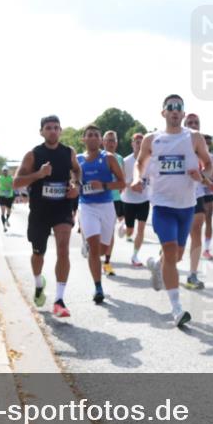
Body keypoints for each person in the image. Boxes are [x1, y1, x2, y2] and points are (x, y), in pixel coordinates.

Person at [131, 94, 211, 327]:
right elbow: (139, 163)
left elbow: (208, 164)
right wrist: (137, 179)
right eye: (170, 107)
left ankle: (157, 265)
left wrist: (202, 175)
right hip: (162, 204)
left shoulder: (194, 137)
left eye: (179, 107)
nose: (175, 110)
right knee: (169, 250)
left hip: (186, 206)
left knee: (176, 256)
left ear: (183, 114)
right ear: (163, 112)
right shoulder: (152, 139)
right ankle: (176, 309)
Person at [13, 115, 80, 317]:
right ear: (41, 132)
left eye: (56, 127)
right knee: (38, 253)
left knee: (63, 249)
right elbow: (16, 182)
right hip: (40, 210)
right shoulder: (33, 155)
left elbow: (77, 171)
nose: (52, 131)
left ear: (61, 131)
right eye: (48, 128)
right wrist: (38, 175)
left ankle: (59, 300)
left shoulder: (69, 152)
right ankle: (38, 282)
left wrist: (76, 186)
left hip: (62, 207)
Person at [77, 125, 125, 304]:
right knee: (95, 249)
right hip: (86, 206)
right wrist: (75, 186)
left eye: (96, 135)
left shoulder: (109, 158)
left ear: (100, 140)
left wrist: (103, 186)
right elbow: (73, 181)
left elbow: (122, 183)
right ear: (83, 139)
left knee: (104, 250)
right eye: (89, 135)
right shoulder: (78, 159)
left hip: (106, 206)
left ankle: (89, 247)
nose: (93, 138)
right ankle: (98, 287)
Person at [183, 113, 213, 289]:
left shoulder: (206, 152)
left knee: (196, 229)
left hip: (196, 195)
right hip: (174, 196)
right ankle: (163, 261)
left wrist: (205, 179)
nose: (193, 124)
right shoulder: (175, 143)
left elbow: (208, 170)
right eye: (190, 122)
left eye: (196, 122)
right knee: (176, 242)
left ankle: (192, 275)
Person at [121, 133, 150, 266]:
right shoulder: (126, 161)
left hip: (144, 199)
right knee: (130, 230)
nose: (139, 144)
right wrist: (132, 186)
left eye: (141, 142)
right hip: (129, 200)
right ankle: (125, 226)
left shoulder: (150, 160)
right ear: (132, 144)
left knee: (141, 229)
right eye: (136, 142)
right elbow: (122, 181)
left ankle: (135, 256)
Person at [99, 130, 124, 276]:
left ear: (117, 143)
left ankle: (107, 263)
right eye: (108, 140)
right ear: (103, 142)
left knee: (110, 232)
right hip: (99, 199)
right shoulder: (98, 157)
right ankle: (90, 247)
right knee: (97, 231)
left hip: (114, 199)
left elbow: (123, 179)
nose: (111, 143)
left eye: (113, 140)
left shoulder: (119, 158)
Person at [0, 166, 15, 231]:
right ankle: (4, 227)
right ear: (2, 171)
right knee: (3, 211)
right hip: (1, 195)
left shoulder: (11, 178)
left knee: (9, 211)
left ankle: (7, 220)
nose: (5, 172)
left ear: (8, 171)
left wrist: (10, 186)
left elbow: (13, 186)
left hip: (9, 196)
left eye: (6, 171)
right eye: (4, 171)